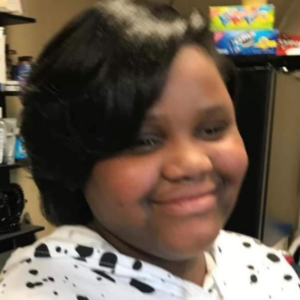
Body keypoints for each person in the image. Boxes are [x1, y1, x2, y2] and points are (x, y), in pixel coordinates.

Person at [0, 1, 299, 299]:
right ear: (72, 161)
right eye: (143, 141)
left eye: (211, 129)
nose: (194, 164)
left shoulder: (262, 263)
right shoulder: (40, 290)